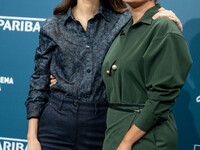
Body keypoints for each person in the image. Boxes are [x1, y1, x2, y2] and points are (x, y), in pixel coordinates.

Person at [25, 0, 183, 150]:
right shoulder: (53, 25)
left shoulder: (124, 21)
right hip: (56, 120)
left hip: (101, 121)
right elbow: (39, 81)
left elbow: (150, 27)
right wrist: (32, 137)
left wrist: (171, 22)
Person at [101, 0, 192, 150]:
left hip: (145, 135)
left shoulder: (163, 26)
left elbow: (162, 97)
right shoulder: (126, 27)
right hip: (116, 130)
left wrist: (127, 141)